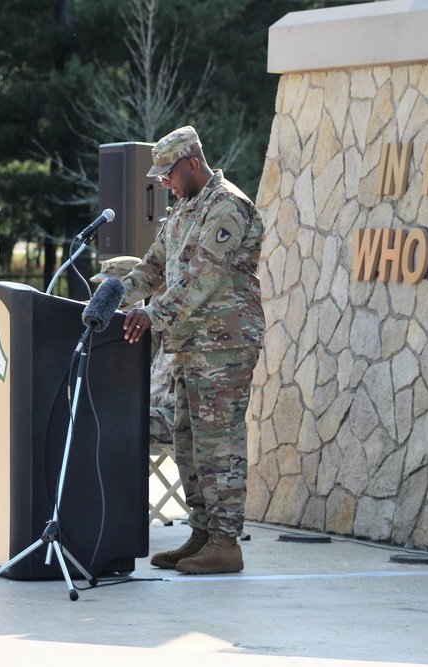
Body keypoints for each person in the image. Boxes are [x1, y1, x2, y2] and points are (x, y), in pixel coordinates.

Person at [120, 125, 264, 575]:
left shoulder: (228, 206)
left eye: (168, 172)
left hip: (224, 346)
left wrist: (152, 315)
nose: (163, 181)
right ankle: (202, 533)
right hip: (189, 345)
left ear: (193, 163)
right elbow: (155, 267)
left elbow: (200, 276)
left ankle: (225, 542)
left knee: (218, 444)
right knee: (188, 442)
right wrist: (113, 297)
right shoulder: (183, 210)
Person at [89, 256, 174, 457]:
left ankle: (109, 487)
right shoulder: (148, 328)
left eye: (107, 284)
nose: (99, 290)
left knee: (104, 418)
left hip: (169, 413)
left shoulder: (151, 325)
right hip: (148, 406)